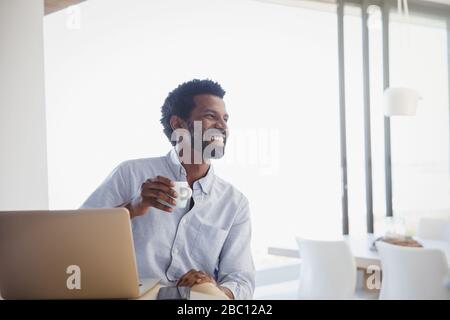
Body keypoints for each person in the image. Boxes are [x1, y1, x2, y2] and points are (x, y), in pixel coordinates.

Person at [81, 79, 255, 299]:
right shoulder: (130, 173)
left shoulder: (234, 203)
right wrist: (131, 208)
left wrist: (215, 288)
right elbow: (79, 237)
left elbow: (242, 281)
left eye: (225, 119)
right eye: (211, 116)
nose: (222, 126)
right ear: (178, 124)